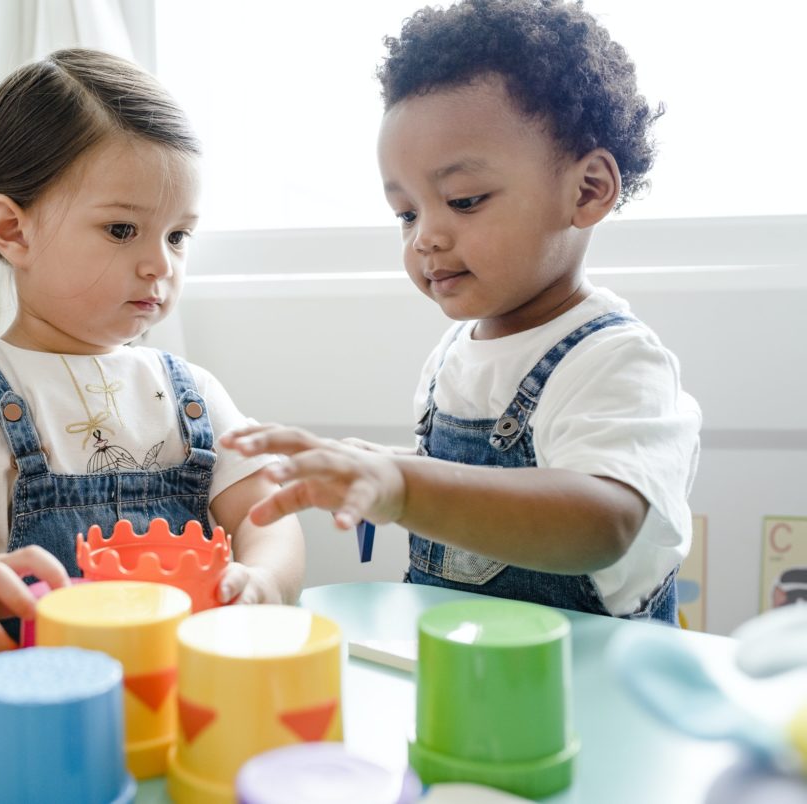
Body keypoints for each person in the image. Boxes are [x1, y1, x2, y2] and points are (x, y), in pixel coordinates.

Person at [0, 48, 304, 690]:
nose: (161, 264)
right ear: (14, 230)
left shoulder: (192, 394)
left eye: (179, 236)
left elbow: (268, 514)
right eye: (123, 230)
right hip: (37, 718)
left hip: (185, 701)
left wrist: (265, 580)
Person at [222, 0, 700, 624]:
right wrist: (388, 470)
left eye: (463, 200)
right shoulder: (454, 353)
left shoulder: (615, 360)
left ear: (587, 190)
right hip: (468, 673)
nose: (425, 237)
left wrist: (405, 485)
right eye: (407, 212)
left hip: (588, 687)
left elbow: (602, 521)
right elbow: (473, 490)